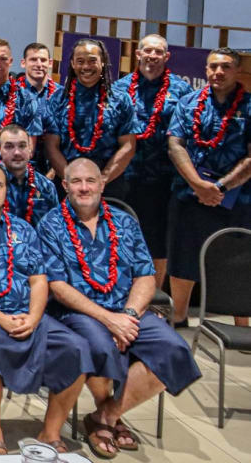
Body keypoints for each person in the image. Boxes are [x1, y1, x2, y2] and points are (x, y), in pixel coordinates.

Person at [38, 159, 201, 458]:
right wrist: (108, 320)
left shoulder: (125, 222)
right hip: (79, 312)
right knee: (98, 345)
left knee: (173, 349)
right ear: (65, 186)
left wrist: (128, 315)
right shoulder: (50, 224)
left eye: (90, 181)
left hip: (127, 309)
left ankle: (107, 416)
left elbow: (145, 275)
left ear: (102, 183)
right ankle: (109, 418)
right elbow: (57, 286)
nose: (84, 187)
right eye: (76, 182)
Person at [0, 162, 91, 454]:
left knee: (77, 348)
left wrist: (34, 318)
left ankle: (50, 432)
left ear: (6, 191)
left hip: (26, 314)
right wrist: (0, 318)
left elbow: (39, 280)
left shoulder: (23, 229)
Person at [167, 47, 251, 326]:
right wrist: (199, 185)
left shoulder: (249, 106)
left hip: (238, 198)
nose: (218, 72)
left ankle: (242, 325)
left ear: (237, 70)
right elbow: (175, 145)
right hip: (190, 194)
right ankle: (179, 315)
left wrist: (220, 188)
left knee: (240, 259)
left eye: (226, 66)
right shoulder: (188, 102)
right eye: (213, 66)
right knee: (184, 255)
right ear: (205, 70)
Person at [112, 35, 192, 288]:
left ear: (167, 57)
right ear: (138, 54)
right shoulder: (119, 88)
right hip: (125, 176)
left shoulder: (181, 90)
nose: (152, 56)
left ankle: (154, 298)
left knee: (157, 242)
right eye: (148, 51)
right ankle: (121, 292)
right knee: (122, 237)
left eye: (159, 52)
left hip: (164, 180)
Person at [43, 38, 138, 198]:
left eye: (92, 61)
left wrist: (101, 181)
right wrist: (72, 181)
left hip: (109, 185)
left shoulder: (121, 100)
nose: (86, 66)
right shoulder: (58, 99)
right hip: (67, 183)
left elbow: (128, 145)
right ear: (73, 64)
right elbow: (52, 146)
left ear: (103, 63)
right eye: (80, 61)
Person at [0, 125, 58, 226]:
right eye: (9, 146)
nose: (17, 152)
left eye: (22, 146)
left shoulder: (46, 187)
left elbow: (53, 228)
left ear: (30, 148)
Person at [18, 43, 61, 175]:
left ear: (50, 63)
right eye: (33, 59)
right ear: (23, 63)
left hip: (55, 165)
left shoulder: (61, 95)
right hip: (18, 162)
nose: (38, 64)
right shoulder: (13, 93)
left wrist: (54, 171)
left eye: (43, 60)